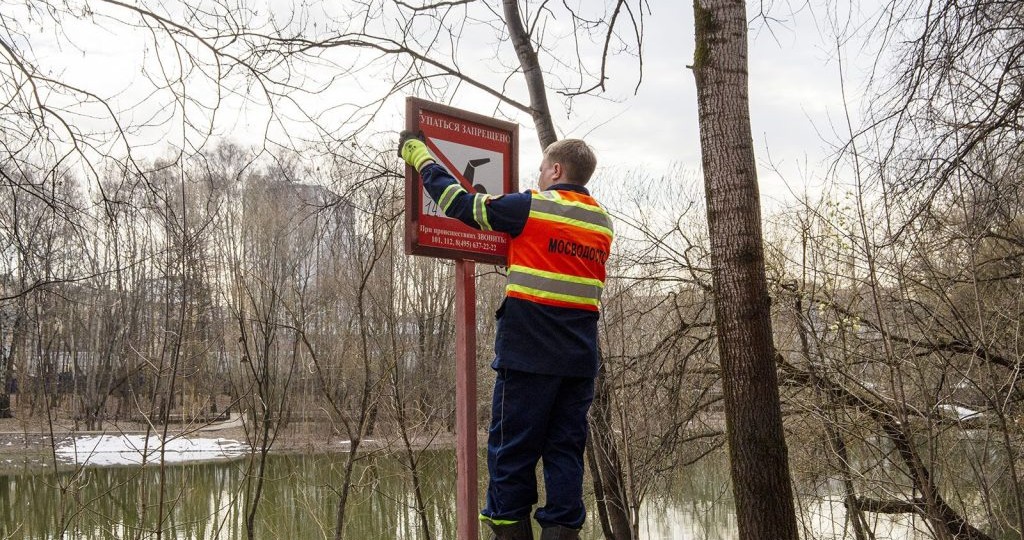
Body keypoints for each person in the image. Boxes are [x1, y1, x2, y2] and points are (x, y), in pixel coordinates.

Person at [399, 132, 613, 540]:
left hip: (529, 356)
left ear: (556, 169)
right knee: (564, 453)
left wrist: (421, 157)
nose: (538, 175)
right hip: (580, 361)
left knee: (511, 453)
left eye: (541, 169)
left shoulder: (533, 206)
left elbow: (462, 205)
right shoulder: (602, 221)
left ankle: (507, 529)